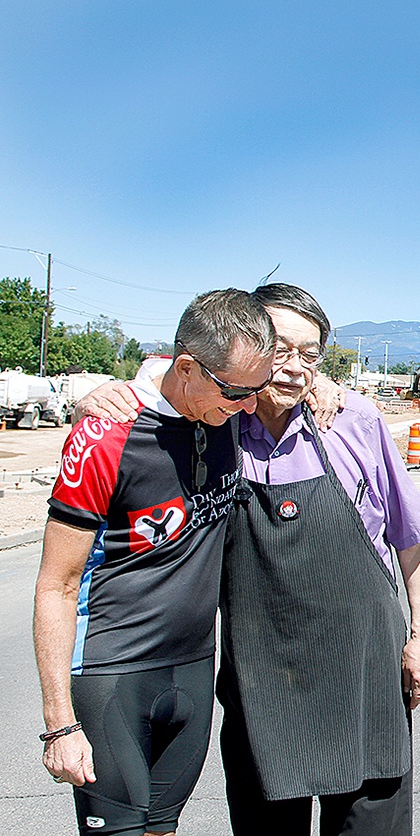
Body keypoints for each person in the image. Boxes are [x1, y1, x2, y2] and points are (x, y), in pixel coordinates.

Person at [80, 284, 420, 835]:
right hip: (263, 680)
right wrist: (108, 393)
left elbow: (411, 537)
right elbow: (174, 379)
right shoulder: (213, 426)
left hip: (365, 671)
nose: (295, 370)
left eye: (311, 356)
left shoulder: (353, 420)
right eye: (280, 350)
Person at [34, 289, 277, 836]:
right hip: (113, 673)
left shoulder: (227, 413)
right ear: (186, 368)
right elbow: (57, 585)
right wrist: (58, 723)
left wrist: (323, 384)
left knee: (163, 830)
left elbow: (292, 379)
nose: (248, 407)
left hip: (192, 670)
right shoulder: (105, 433)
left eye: (256, 388)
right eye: (237, 392)